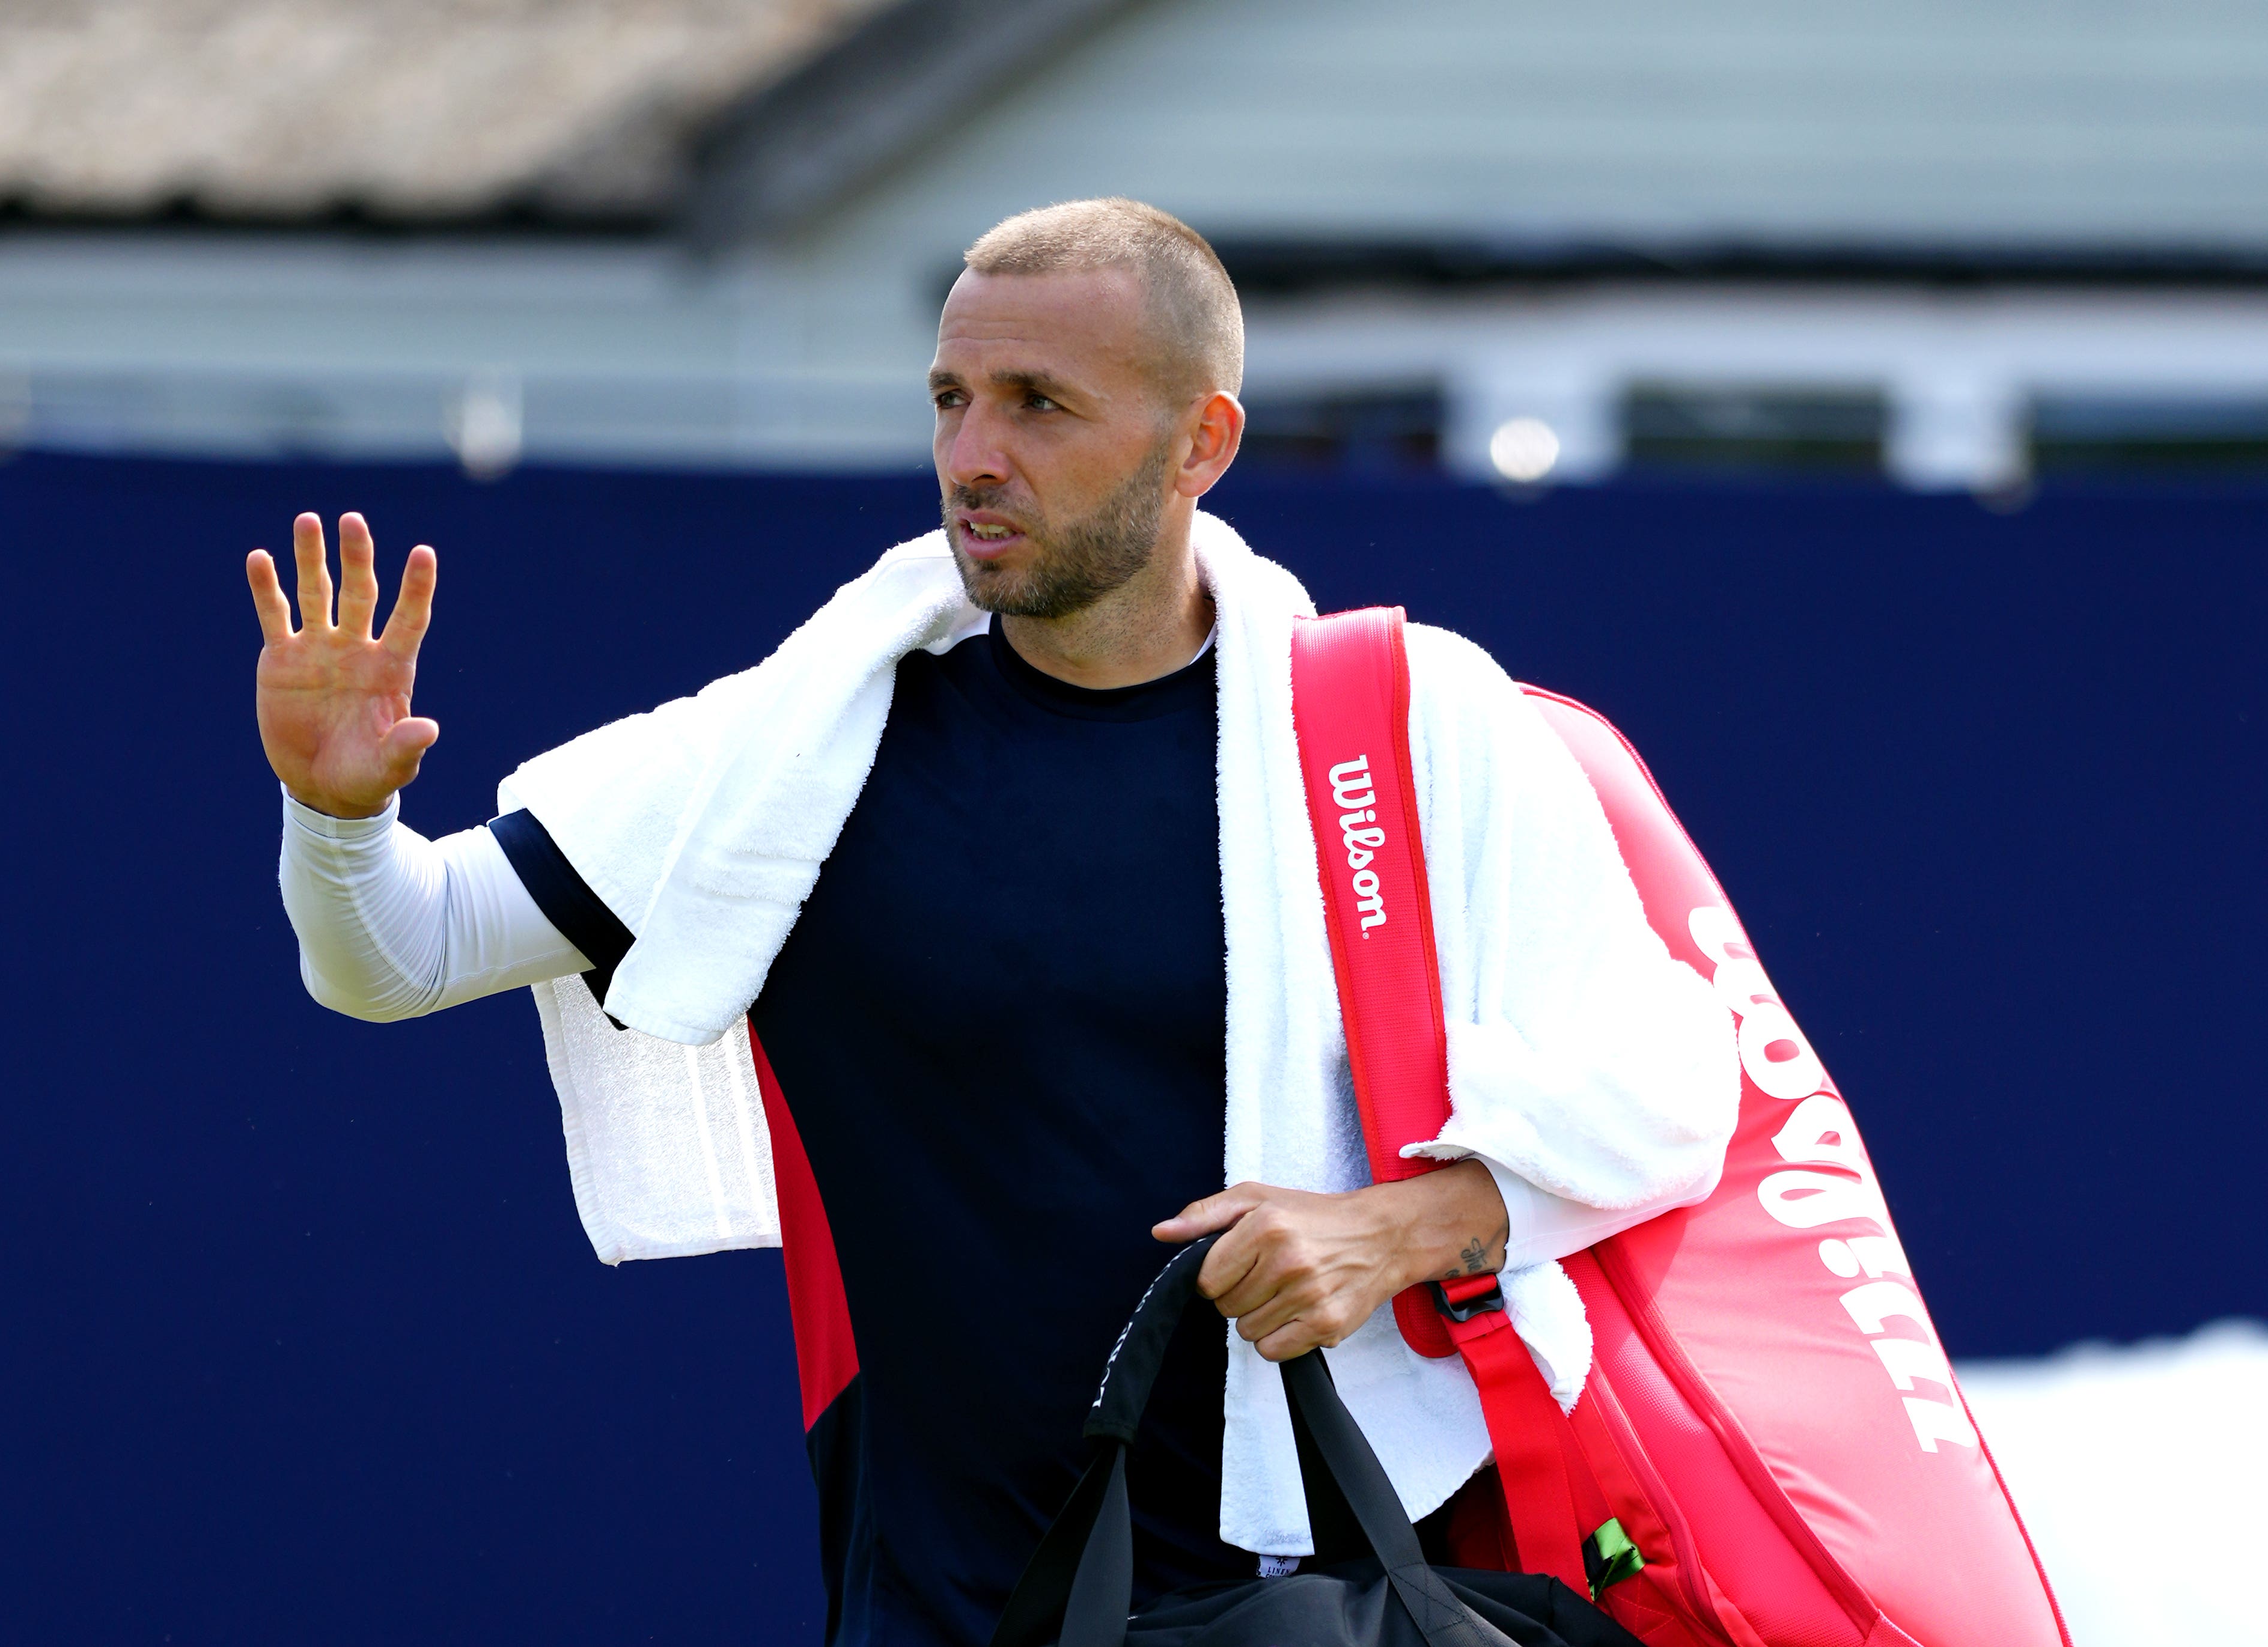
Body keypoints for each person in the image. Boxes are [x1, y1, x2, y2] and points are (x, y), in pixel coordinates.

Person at [251, 198, 1737, 1647]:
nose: (975, 457)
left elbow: (1677, 1087)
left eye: (1039, 405)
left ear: (1198, 444)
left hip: (1328, 1598)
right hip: (938, 1607)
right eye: (951, 400)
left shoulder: (1409, 724)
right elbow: (404, 952)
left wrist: (1392, 1229)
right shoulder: (806, 743)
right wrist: (337, 818)